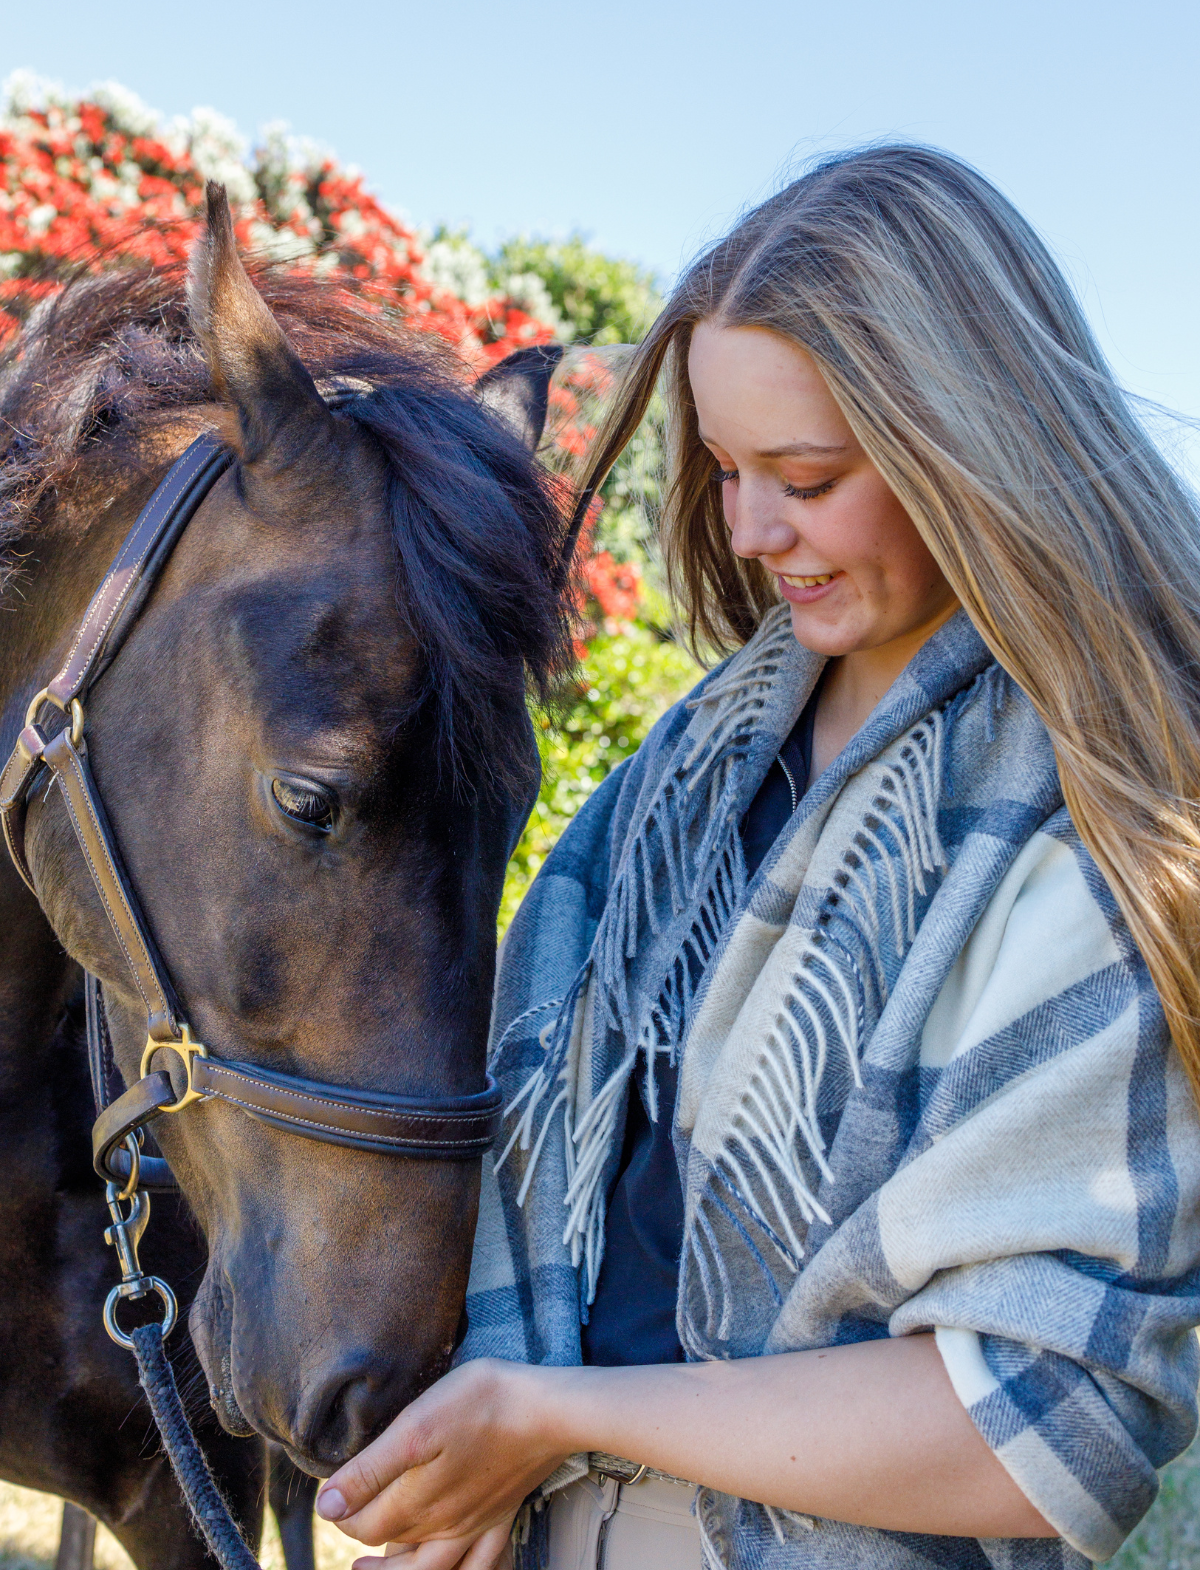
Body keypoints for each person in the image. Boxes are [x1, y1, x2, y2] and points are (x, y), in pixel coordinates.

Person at [313, 146, 1200, 1569]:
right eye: (726, 468)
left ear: (966, 450)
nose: (749, 529)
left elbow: (1043, 1429)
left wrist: (551, 1414)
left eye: (807, 476)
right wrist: (491, 1447)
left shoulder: (1089, 820)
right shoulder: (691, 763)